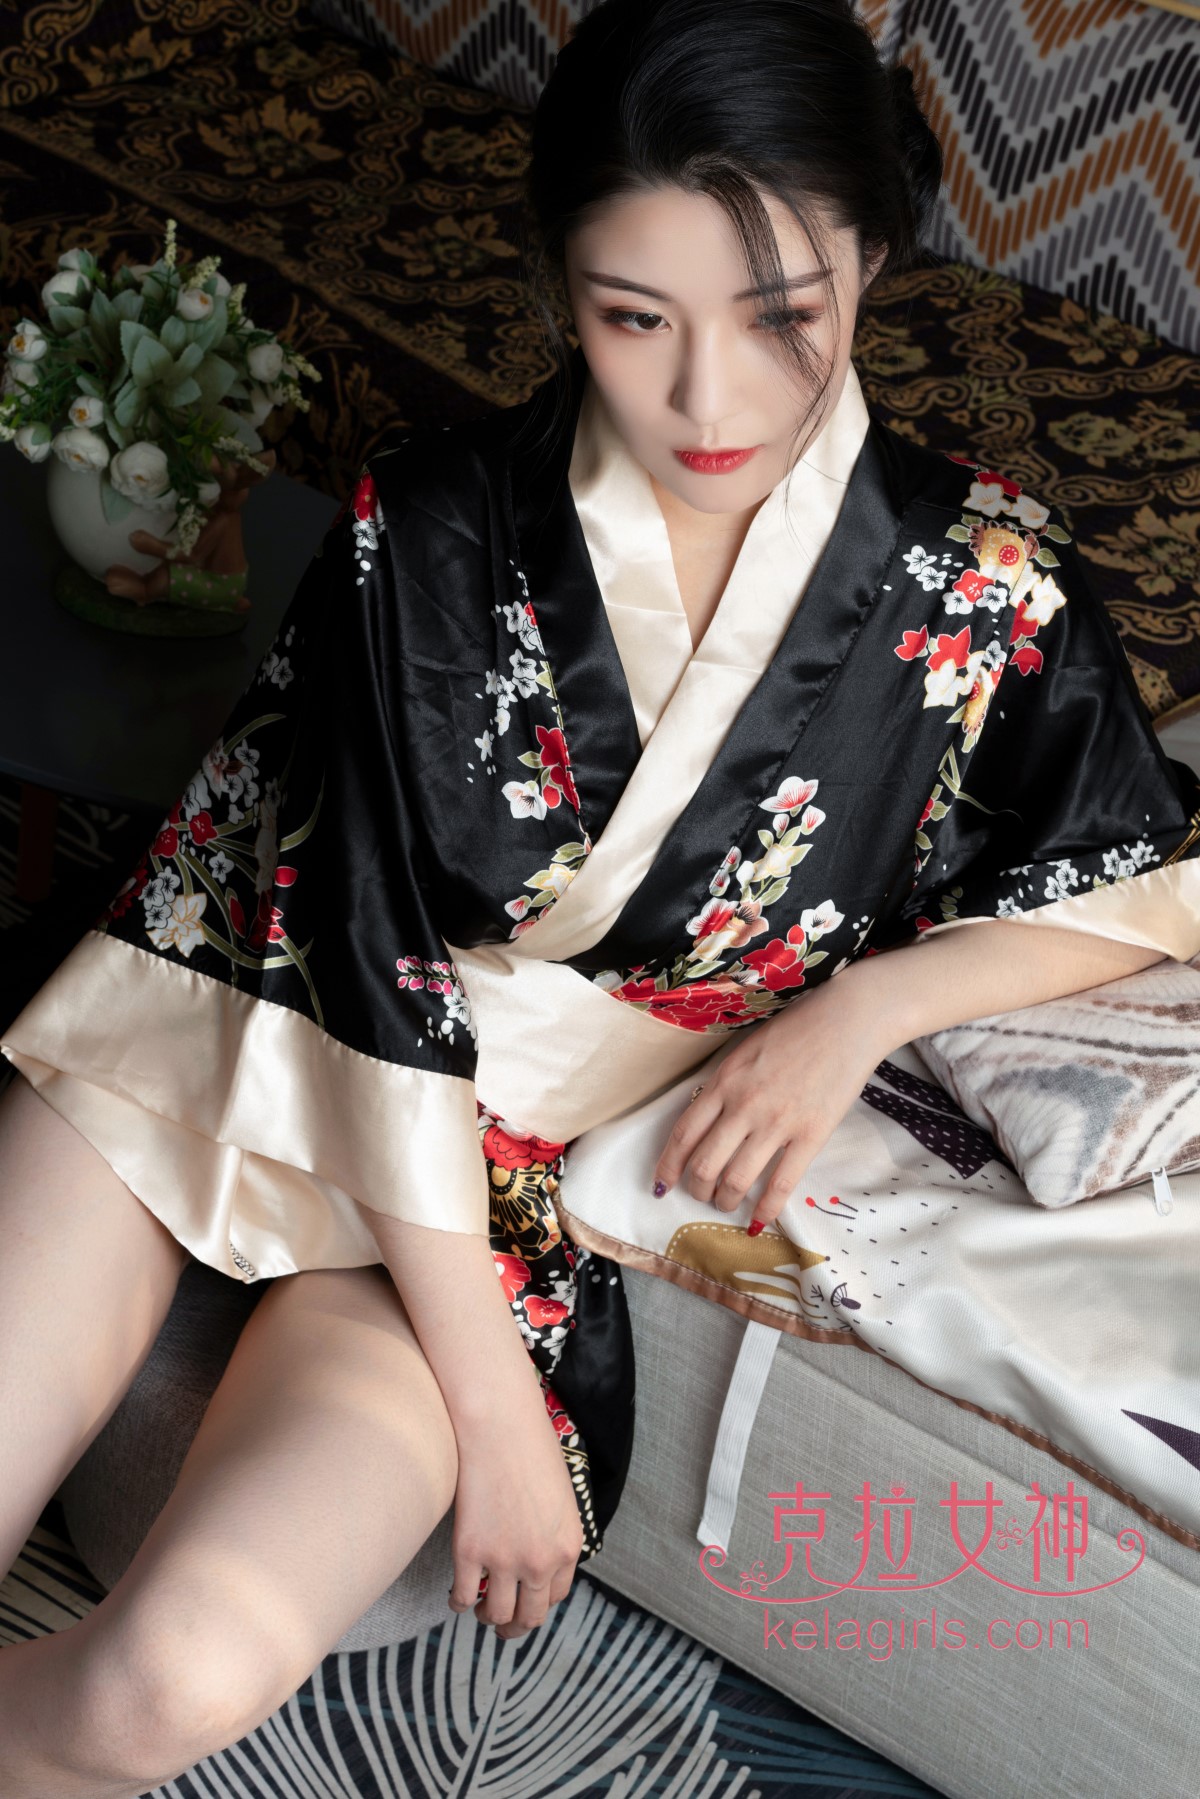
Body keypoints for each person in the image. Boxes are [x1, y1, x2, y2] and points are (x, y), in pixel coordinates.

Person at [2, 0, 1198, 1790]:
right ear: (563, 287)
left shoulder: (979, 583)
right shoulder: (427, 528)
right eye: (635, 318)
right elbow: (364, 971)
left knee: (164, 1689)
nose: (709, 400)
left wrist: (863, 1006)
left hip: (498, 1183)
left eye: (782, 315)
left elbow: (1145, 871)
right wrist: (495, 1412)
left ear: (872, 261)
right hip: (218, 1034)